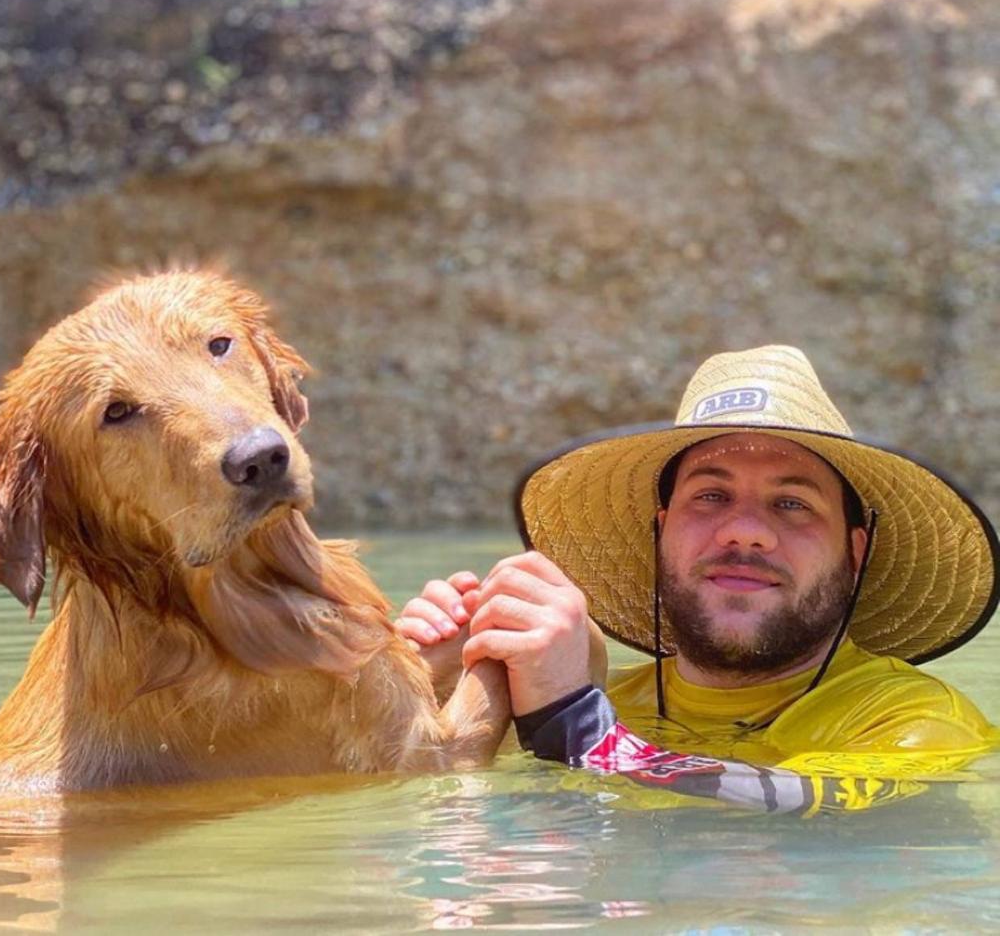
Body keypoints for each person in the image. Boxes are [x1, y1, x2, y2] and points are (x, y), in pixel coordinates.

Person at [398, 345, 1000, 813]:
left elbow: (801, 808)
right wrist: (425, 695)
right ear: (660, 532)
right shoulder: (608, 703)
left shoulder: (917, 723)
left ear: (855, 551)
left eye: (791, 504)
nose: (745, 531)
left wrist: (570, 718)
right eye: (710, 495)